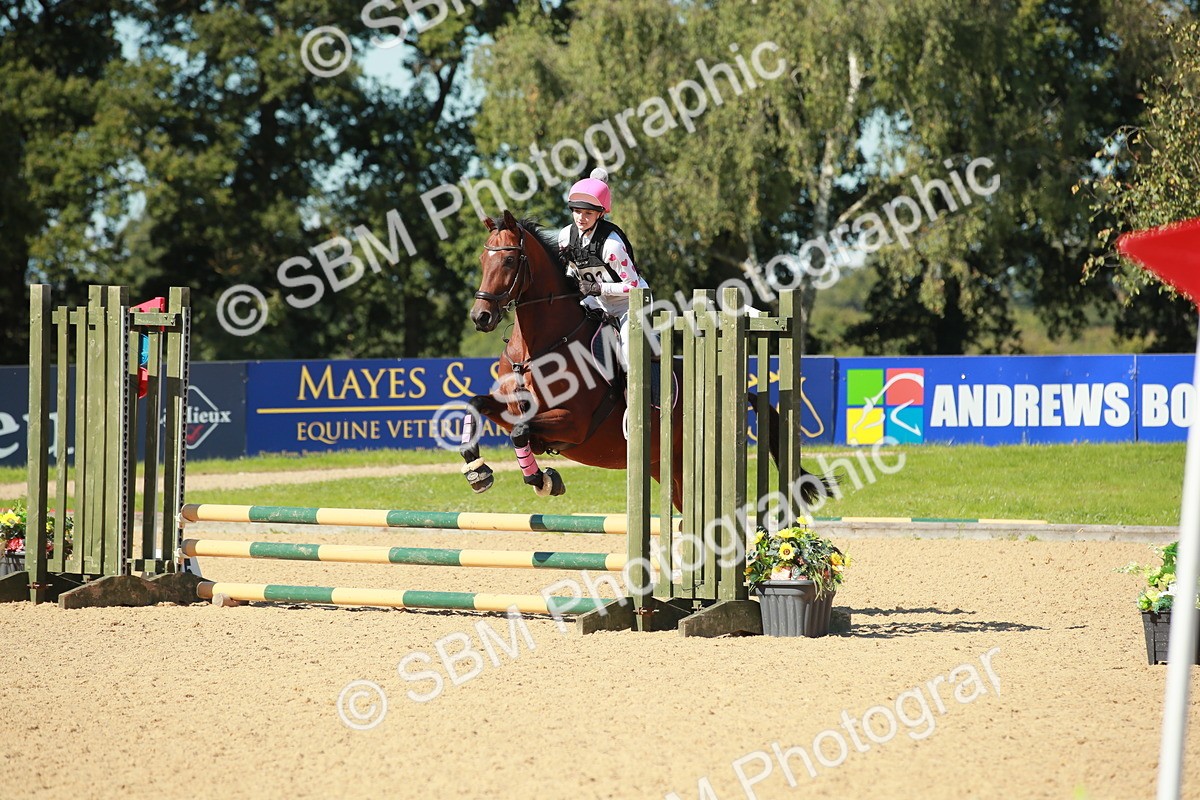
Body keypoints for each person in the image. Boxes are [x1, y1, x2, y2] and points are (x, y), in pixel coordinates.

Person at [557, 168, 650, 378]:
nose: (581, 218)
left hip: (629, 304)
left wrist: (598, 287)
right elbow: (571, 269)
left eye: (588, 213)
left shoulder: (611, 245)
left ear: (600, 213)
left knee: (628, 356)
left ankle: (633, 394)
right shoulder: (565, 237)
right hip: (596, 301)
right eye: (577, 211)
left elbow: (633, 286)